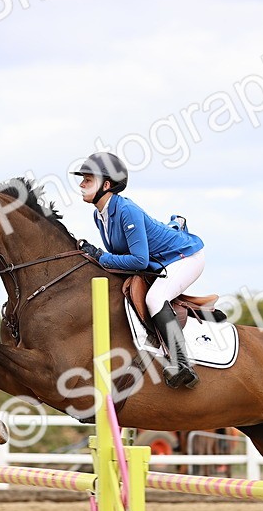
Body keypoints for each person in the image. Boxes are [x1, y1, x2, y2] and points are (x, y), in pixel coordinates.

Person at [72, 152, 205, 389]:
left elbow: (139, 261)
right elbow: (121, 257)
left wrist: (100, 256)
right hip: (160, 262)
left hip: (184, 257)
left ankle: (183, 364)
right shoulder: (98, 214)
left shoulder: (126, 210)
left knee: (155, 298)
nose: (81, 184)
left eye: (87, 180)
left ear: (106, 185)